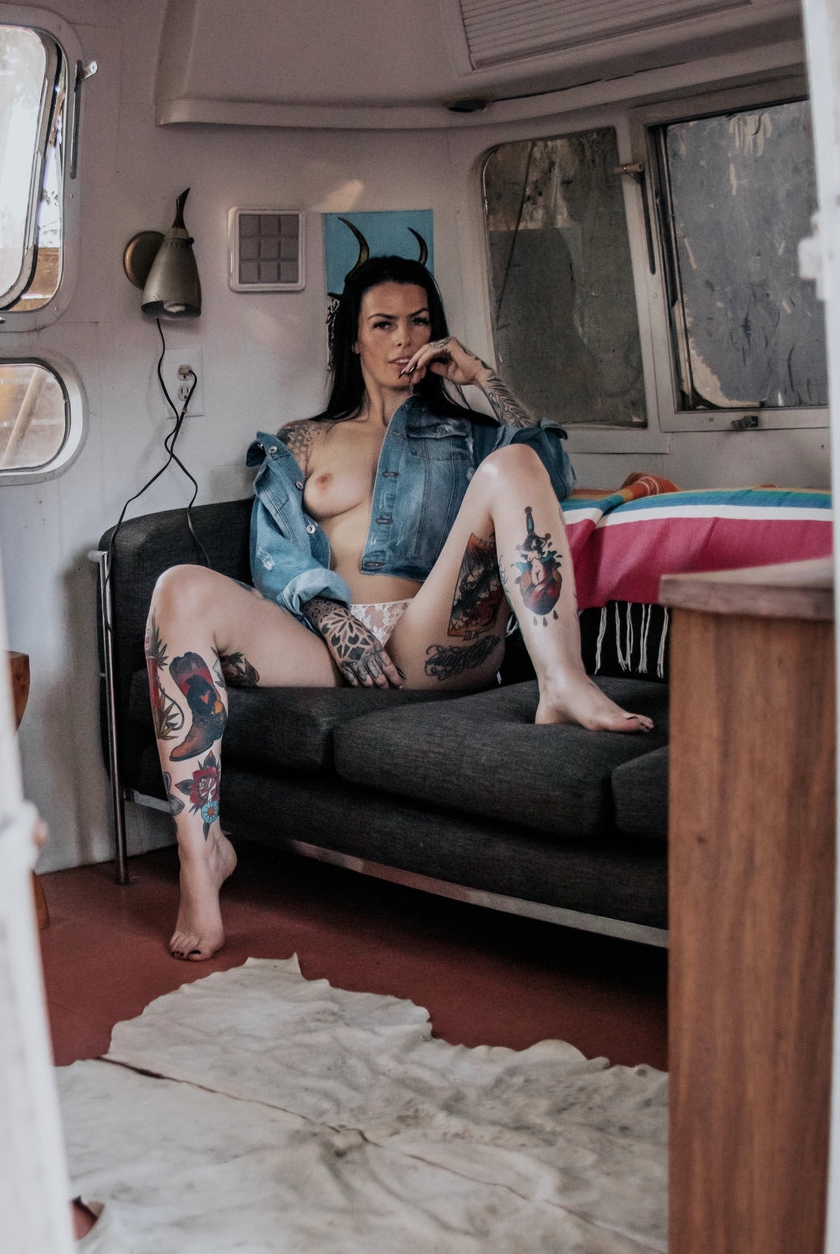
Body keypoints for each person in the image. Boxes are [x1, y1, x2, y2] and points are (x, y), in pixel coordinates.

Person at [145, 232, 654, 960]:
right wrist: (331, 616)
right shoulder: (304, 438)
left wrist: (484, 379)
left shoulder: (471, 434)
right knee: (179, 588)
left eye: (419, 322)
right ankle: (202, 860)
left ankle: (563, 681)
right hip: (327, 642)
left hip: (430, 639)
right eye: (383, 323)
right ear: (354, 338)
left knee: (514, 462)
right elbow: (273, 553)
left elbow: (550, 474)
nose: (404, 338)